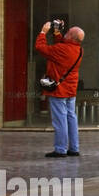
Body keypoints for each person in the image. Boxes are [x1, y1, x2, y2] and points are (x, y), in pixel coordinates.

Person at [36, 21, 85, 157]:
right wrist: (57, 32)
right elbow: (63, 44)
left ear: (71, 37)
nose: (66, 33)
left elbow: (41, 48)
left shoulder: (62, 50)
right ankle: (74, 148)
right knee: (71, 117)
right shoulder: (78, 49)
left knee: (60, 120)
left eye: (68, 33)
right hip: (70, 89)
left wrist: (43, 32)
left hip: (59, 90)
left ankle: (60, 149)